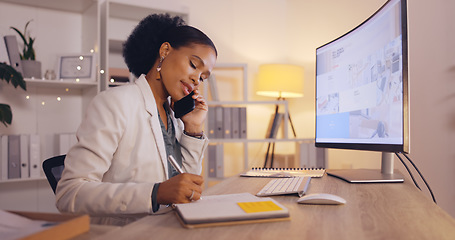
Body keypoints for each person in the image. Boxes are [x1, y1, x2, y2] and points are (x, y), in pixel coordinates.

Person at [55, 14, 217, 226]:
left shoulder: (176, 117)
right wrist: (155, 193)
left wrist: (193, 128)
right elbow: (70, 193)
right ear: (165, 51)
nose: (197, 80)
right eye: (194, 65)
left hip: (169, 228)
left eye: (203, 77)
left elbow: (186, 188)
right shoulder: (115, 103)